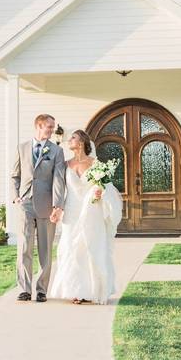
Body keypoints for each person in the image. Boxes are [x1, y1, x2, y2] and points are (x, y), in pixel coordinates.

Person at [48, 129, 123, 304]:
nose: (69, 140)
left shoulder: (95, 163)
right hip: (72, 210)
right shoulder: (65, 164)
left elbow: (106, 187)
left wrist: (99, 193)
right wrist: (56, 208)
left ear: (81, 141)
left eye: (73, 137)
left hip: (92, 210)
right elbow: (59, 189)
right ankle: (75, 290)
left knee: (92, 247)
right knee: (71, 248)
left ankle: (93, 290)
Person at [9, 114, 66, 302]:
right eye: (49, 127)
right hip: (25, 204)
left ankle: (41, 290)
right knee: (24, 247)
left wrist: (57, 205)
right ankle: (24, 289)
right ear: (39, 126)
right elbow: (14, 176)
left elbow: (58, 179)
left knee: (45, 250)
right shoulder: (22, 148)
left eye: (52, 127)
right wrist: (15, 196)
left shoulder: (57, 151)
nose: (51, 130)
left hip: (46, 206)